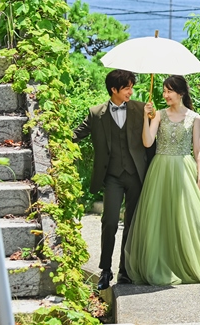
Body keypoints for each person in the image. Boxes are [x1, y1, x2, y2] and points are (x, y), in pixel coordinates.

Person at [123, 75, 200, 285]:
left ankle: (191, 262)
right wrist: (145, 117)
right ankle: (163, 264)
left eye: (169, 91)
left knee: (189, 217)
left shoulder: (194, 117)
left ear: (181, 93)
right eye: (164, 91)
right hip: (160, 169)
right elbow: (148, 142)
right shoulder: (158, 114)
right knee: (160, 219)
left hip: (184, 169)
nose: (165, 95)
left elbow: (198, 150)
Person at [73, 69, 147, 291]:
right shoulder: (96, 113)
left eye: (132, 87)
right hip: (112, 176)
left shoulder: (141, 109)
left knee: (132, 225)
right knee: (110, 221)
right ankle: (106, 270)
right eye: (127, 87)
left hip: (136, 175)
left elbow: (151, 141)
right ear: (114, 89)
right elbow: (77, 134)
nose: (131, 91)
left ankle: (125, 271)